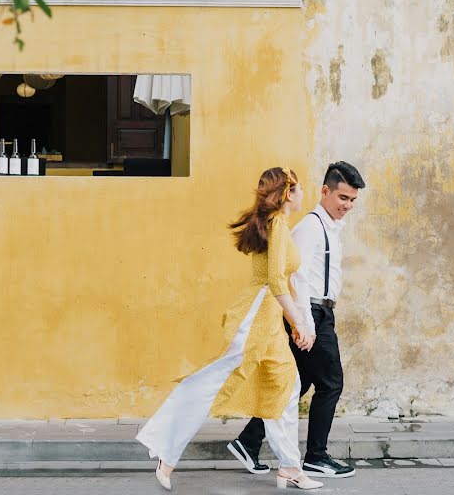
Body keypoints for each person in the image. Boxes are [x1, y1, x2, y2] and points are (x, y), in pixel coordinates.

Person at [135, 167, 323, 491]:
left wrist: (295, 324)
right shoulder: (277, 225)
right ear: (289, 192)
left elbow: (284, 284)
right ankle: (166, 451)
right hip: (256, 318)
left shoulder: (278, 225)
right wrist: (299, 324)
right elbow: (276, 282)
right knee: (210, 380)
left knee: (285, 385)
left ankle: (290, 466)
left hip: (269, 319)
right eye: (300, 188)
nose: (304, 193)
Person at [228, 161, 365, 479]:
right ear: (325, 191)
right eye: (343, 198)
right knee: (331, 384)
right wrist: (305, 323)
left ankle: (249, 442)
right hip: (312, 314)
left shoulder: (330, 227)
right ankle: (316, 455)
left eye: (352, 200)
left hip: (320, 312)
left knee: (296, 384)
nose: (347, 206)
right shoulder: (311, 226)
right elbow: (296, 278)